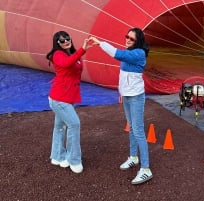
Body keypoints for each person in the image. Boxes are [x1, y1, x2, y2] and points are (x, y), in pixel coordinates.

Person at [91, 28, 153, 185]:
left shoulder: (138, 54)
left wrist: (100, 43)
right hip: (127, 96)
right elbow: (124, 76)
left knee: (138, 131)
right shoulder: (130, 51)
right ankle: (133, 157)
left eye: (131, 39)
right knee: (132, 127)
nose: (127, 40)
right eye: (127, 37)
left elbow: (117, 54)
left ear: (138, 41)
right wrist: (122, 92)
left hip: (136, 97)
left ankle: (146, 169)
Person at [46, 31, 93, 174]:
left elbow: (74, 63)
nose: (66, 41)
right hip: (59, 99)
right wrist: (83, 49)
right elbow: (66, 64)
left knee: (60, 126)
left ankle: (57, 156)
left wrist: (79, 51)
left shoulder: (72, 54)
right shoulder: (57, 55)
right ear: (57, 43)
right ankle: (74, 160)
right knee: (74, 124)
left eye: (67, 38)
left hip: (68, 97)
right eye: (62, 41)